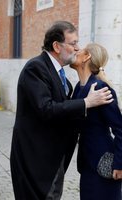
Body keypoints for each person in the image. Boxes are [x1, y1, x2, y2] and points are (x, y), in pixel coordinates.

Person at [10, 21, 113, 200]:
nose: (77, 48)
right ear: (57, 46)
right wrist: (86, 103)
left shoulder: (62, 76)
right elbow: (46, 109)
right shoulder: (35, 68)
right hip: (35, 161)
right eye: (73, 43)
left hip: (54, 159)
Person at [71, 43, 122, 200]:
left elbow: (120, 129)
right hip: (87, 163)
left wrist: (119, 164)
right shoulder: (79, 88)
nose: (76, 51)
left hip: (104, 163)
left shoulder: (101, 89)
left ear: (87, 57)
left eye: (80, 51)